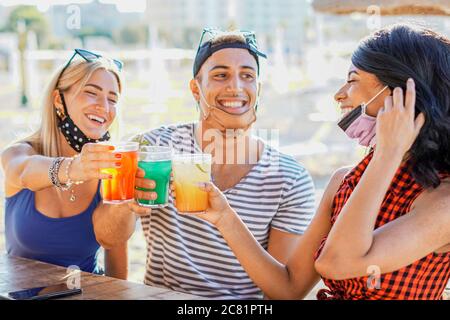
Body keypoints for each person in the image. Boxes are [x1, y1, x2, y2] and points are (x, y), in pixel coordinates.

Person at [190, 24, 450, 300]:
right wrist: (225, 217)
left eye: (352, 80)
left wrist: (388, 153)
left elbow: (336, 262)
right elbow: (288, 289)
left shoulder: (442, 202)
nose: (339, 94)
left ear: (401, 94)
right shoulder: (344, 182)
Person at [98, 29, 316, 299]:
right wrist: (125, 207)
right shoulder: (152, 148)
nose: (235, 86)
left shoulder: (290, 179)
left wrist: (226, 219)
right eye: (220, 75)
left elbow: (284, 292)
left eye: (247, 75)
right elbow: (107, 238)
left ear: (257, 90)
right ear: (195, 88)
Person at [1, 49, 152, 278]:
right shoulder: (20, 152)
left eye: (113, 99)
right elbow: (22, 172)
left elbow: (115, 258)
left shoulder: (111, 167)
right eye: (92, 93)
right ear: (58, 100)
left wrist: (125, 205)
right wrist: (75, 168)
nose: (104, 107)